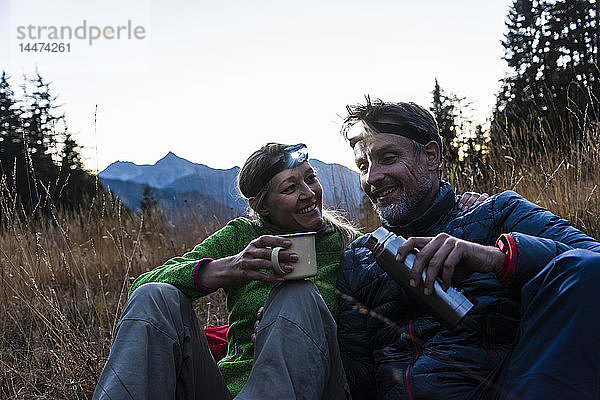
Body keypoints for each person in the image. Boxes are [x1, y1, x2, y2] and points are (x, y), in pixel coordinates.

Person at [337, 98, 600, 399]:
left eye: (388, 157)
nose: (372, 177)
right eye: (363, 166)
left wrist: (497, 258)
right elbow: (355, 373)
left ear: (431, 156)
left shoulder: (498, 213)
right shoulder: (357, 260)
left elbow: (591, 264)